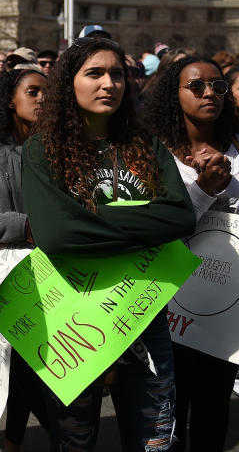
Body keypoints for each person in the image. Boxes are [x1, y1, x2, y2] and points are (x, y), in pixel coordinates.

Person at [21, 37, 196, 451]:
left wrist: (89, 220)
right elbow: (56, 234)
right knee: (74, 442)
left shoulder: (146, 145)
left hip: (144, 316)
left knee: (157, 444)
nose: (109, 84)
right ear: (69, 83)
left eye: (117, 74)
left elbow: (181, 217)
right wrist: (144, 223)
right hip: (72, 320)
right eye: (94, 73)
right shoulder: (42, 150)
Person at [142, 57, 239, 452]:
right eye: (196, 86)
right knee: (167, 408)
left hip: (227, 301)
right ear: (174, 94)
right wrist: (203, 189)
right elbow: (159, 225)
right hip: (167, 298)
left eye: (218, 87)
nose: (209, 94)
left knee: (213, 407)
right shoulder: (155, 152)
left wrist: (229, 185)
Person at [0, 68, 49, 452]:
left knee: (35, 361)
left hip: (54, 267)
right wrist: (27, 226)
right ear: (10, 99)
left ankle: (14, 441)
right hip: (8, 268)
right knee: (22, 363)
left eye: (47, 93)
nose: (42, 99)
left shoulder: (57, 149)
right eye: (33, 91)